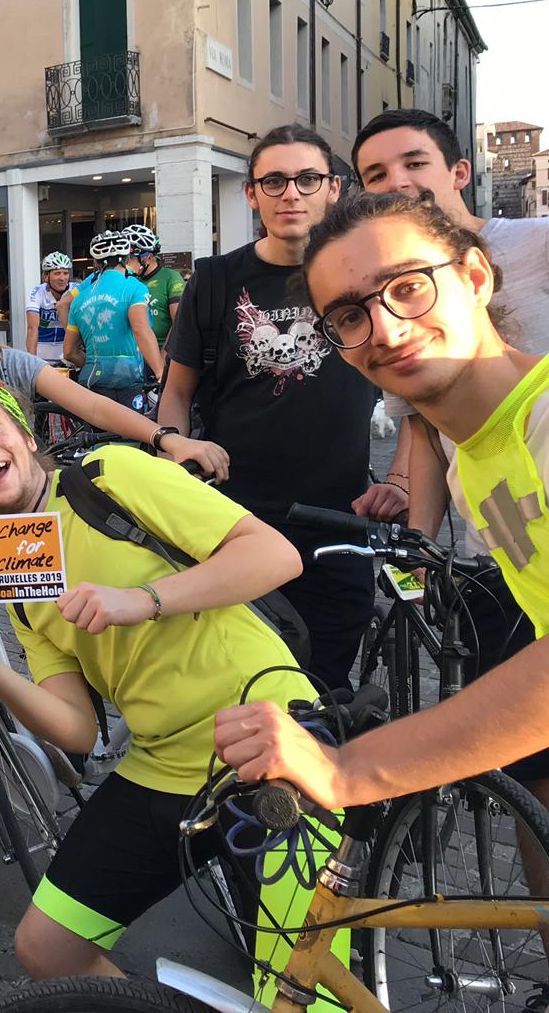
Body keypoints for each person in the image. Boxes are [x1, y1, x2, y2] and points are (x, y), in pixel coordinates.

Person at [215, 188, 549, 1013]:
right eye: (350, 314)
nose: (386, 328)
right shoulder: (474, 460)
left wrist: (347, 769)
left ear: (476, 276)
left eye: (407, 287)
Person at [0, 371, 323, 990]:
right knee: (46, 947)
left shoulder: (109, 476)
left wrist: (145, 599)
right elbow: (77, 731)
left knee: (301, 989)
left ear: (26, 436)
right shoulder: (12, 574)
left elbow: (274, 555)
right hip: (162, 763)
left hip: (266, 728)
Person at [0, 258, 230, 891]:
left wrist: (165, 439)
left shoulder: (12, 364)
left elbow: (90, 404)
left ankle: (78, 746)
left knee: (67, 636)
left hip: (31, 529)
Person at [355, 107, 549, 874]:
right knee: (536, 781)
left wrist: (353, 769)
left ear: (459, 171)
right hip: (500, 557)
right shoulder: (389, 305)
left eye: (413, 163)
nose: (397, 182)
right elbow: (422, 433)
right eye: (375, 174)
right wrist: (417, 549)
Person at [158, 124, 401, 692]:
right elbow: (177, 390)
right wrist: (174, 455)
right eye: (274, 181)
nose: (291, 193)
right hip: (237, 522)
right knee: (247, 685)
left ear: (333, 188)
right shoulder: (216, 280)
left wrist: (404, 478)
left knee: (328, 691)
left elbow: (406, 383)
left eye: (307, 179)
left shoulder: (363, 276)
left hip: (340, 519)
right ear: (252, 194)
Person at [63, 230, 162, 400]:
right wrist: (160, 371)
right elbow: (141, 330)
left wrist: (95, 365)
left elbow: (69, 352)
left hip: (92, 379)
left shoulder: (79, 299)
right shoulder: (135, 288)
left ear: (96, 263)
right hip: (128, 379)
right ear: (126, 258)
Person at [121, 224, 183, 354]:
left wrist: (162, 358)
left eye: (131, 258)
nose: (127, 263)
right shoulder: (127, 278)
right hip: (132, 353)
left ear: (148, 257)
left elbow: (179, 323)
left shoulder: (170, 277)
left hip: (161, 350)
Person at [25, 251, 73, 363]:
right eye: (57, 273)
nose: (62, 278)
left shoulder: (75, 290)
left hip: (67, 348)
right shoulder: (37, 292)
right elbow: (32, 328)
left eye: (65, 273)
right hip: (43, 348)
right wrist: (32, 361)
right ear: (46, 277)